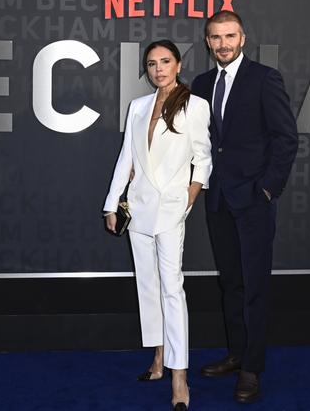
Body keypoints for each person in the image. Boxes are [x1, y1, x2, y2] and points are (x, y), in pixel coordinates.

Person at [191, 10, 298, 404]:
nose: (223, 44)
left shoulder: (264, 78)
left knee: (254, 286)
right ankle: (236, 353)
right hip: (217, 198)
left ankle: (252, 367)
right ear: (207, 41)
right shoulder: (201, 84)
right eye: (216, 37)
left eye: (230, 36)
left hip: (254, 199)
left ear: (243, 38)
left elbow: (286, 138)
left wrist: (268, 189)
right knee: (230, 283)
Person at [103, 39, 212, 411]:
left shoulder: (196, 106)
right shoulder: (137, 106)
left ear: (179, 65)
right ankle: (158, 357)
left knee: (172, 289)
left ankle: (179, 375)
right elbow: (126, 158)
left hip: (170, 210)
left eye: (165, 61)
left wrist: (189, 198)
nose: (158, 69)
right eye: (151, 64)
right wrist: (111, 205)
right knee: (148, 287)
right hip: (138, 208)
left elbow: (204, 158)